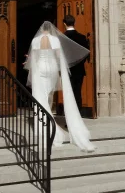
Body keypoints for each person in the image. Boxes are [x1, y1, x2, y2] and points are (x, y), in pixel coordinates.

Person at [24, 21, 94, 152]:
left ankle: (43, 124)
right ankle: (49, 118)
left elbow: (34, 57)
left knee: (40, 96)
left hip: (39, 68)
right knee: (49, 95)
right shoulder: (55, 40)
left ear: (41, 30)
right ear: (50, 29)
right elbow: (58, 56)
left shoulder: (35, 41)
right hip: (51, 68)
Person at [63, 14, 89, 112]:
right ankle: (78, 114)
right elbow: (86, 52)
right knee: (77, 92)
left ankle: (69, 116)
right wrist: (80, 62)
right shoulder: (82, 37)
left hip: (67, 69)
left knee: (68, 93)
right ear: (74, 23)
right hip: (79, 69)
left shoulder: (62, 37)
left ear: (64, 23)